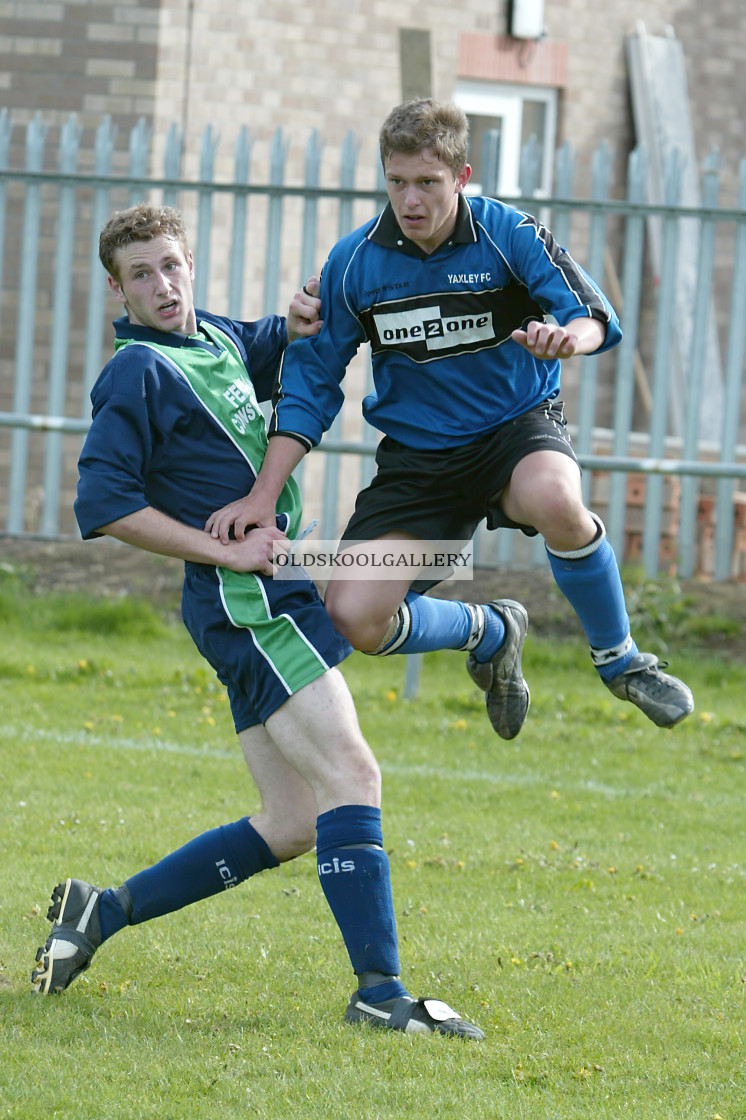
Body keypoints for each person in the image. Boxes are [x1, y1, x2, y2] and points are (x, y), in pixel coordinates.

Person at [30, 202, 484, 1041]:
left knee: (296, 819)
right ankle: (380, 992)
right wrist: (226, 554)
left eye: (171, 265)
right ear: (116, 288)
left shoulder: (215, 337)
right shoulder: (136, 374)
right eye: (141, 274)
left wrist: (304, 315)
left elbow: (272, 341)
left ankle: (103, 910)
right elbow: (102, 503)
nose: (162, 285)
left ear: (190, 263)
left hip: (265, 591)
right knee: (354, 775)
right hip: (249, 599)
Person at [206, 97, 694, 736]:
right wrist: (263, 495)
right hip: (420, 462)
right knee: (353, 615)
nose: (410, 201)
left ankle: (621, 660)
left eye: (428, 183)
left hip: (514, 429)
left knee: (554, 496)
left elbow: (593, 314)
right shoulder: (353, 263)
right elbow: (311, 383)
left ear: (462, 177)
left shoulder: (508, 232)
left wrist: (567, 339)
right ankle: (490, 630)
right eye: (397, 182)